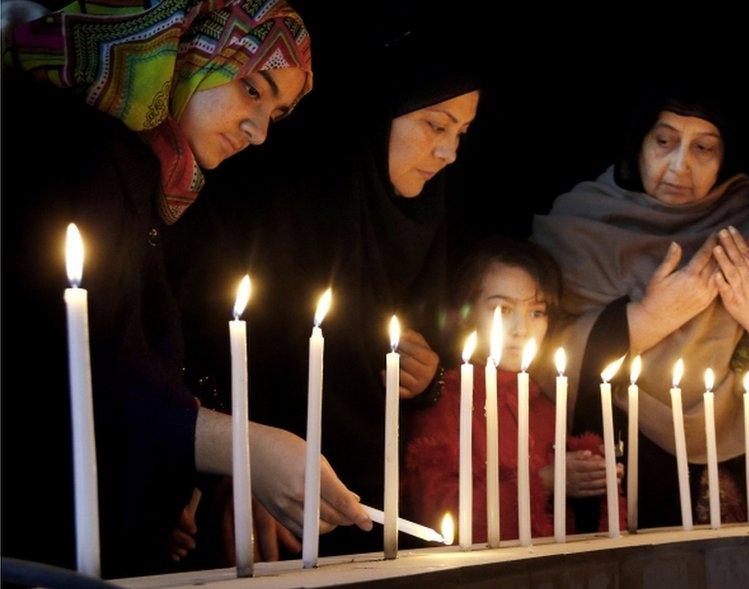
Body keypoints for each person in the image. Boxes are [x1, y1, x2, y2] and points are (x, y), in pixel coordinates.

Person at [1, 1, 369, 577]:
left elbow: (147, 359)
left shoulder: (154, 174)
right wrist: (240, 447)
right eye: (252, 88)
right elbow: (76, 365)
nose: (260, 132)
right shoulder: (69, 150)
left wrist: (179, 474)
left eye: (277, 111)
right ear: (189, 45)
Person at [168, 31, 481, 556]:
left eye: (462, 133)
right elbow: (205, 339)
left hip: (370, 507)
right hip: (258, 512)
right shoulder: (290, 203)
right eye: (435, 125)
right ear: (380, 113)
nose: (448, 152)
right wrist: (243, 467)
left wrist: (428, 376)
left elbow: (435, 340)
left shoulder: (424, 215)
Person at [532, 90, 749, 528]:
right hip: (619, 457)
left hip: (746, 456)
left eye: (703, 147)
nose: (679, 165)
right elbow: (531, 351)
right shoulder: (579, 225)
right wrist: (648, 320)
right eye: (664, 141)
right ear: (638, 142)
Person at [401, 237, 625, 541]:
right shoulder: (444, 398)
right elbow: (437, 517)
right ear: (467, 314)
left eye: (536, 312)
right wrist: (545, 482)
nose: (521, 329)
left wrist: (591, 474)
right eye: (502, 309)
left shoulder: (546, 398)